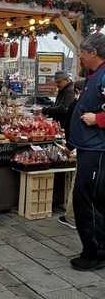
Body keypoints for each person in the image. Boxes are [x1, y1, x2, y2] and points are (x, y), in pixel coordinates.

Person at [69, 33, 105, 271]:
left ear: (93, 53)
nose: (79, 56)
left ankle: (96, 253)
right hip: (89, 147)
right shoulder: (94, 76)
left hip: (97, 149)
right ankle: (93, 249)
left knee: (88, 199)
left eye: (82, 52)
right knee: (88, 198)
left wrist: (98, 119)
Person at [58, 80, 85, 230]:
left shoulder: (78, 105)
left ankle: (71, 217)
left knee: (79, 183)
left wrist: (70, 146)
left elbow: (73, 128)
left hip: (84, 149)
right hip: (89, 149)